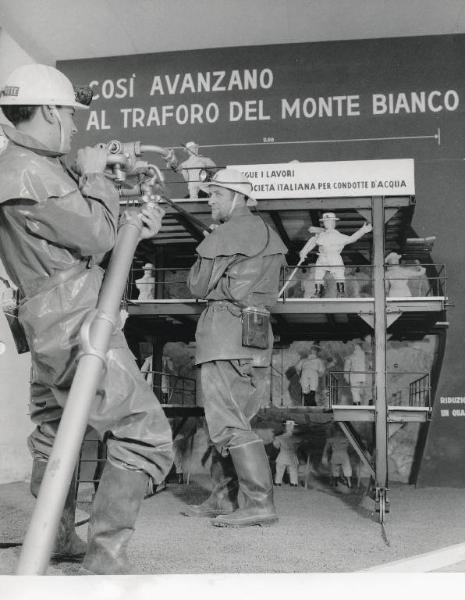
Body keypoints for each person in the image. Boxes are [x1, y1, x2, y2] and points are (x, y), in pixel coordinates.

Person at [0, 64, 174, 574]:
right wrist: (95, 173)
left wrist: (127, 220)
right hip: (73, 315)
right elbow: (96, 236)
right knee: (143, 431)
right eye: (71, 116)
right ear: (51, 110)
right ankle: (105, 562)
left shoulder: (29, 166)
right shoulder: (28, 172)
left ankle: (56, 540)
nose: (76, 128)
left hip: (53, 311)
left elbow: (75, 235)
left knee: (58, 427)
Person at [183, 168, 287, 527]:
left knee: (228, 423)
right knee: (238, 418)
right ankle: (226, 499)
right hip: (256, 332)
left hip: (224, 333)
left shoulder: (227, 233)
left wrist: (208, 248)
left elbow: (196, 285)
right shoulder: (267, 233)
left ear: (237, 197)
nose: (209, 200)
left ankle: (259, 504)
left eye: (216, 194)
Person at [299, 212, 372, 297]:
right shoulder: (321, 235)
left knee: (339, 273)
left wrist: (362, 231)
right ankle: (318, 292)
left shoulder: (337, 235)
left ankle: (340, 292)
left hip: (334, 257)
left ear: (333, 223)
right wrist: (304, 252)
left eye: (329, 221)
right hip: (322, 257)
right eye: (325, 221)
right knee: (318, 273)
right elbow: (312, 242)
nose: (327, 223)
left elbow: (351, 239)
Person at [273, 420, 299, 487]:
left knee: (280, 470)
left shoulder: (279, 437)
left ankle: (278, 482)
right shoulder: (296, 438)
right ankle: (294, 483)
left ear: (285, 427)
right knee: (293, 470)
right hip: (292, 456)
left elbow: (276, 446)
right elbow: (298, 447)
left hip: (282, 456)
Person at [343, 340, 367, 405]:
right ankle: (362, 403)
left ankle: (357, 404)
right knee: (363, 391)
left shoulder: (351, 357)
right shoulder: (365, 356)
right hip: (364, 377)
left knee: (354, 391)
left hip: (354, 376)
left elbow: (346, 368)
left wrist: (346, 377)